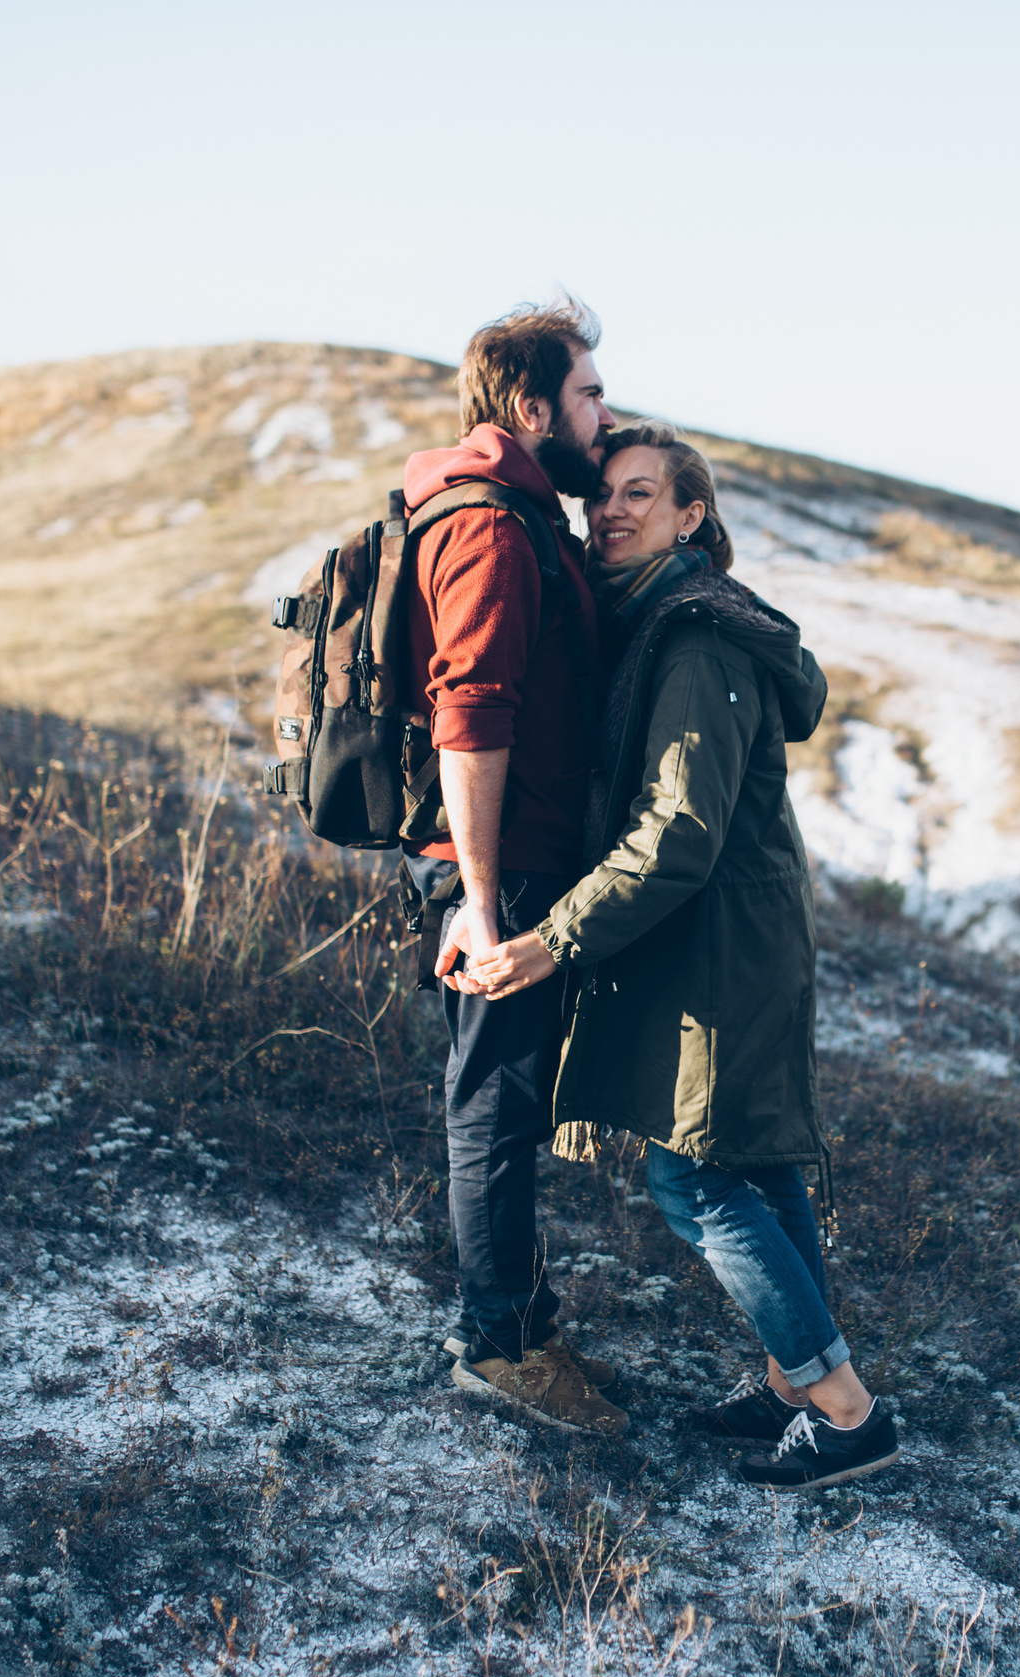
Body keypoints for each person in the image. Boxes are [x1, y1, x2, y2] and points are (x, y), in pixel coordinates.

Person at [462, 422, 902, 1489]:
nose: (610, 510)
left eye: (640, 494)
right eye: (601, 495)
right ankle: (794, 1382)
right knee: (751, 1161)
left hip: (719, 944)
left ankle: (845, 1414)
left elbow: (680, 832)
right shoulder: (656, 620)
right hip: (717, 935)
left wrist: (553, 938)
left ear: (690, 516)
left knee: (690, 1174)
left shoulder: (696, 639)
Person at [397, 300, 626, 1435]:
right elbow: (470, 719)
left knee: (512, 1100)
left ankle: (523, 1324)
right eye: (589, 395)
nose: (606, 414)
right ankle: (494, 1347)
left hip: (517, 863)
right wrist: (481, 904)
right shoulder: (489, 525)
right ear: (532, 408)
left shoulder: (524, 517)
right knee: (491, 1103)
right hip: (500, 871)